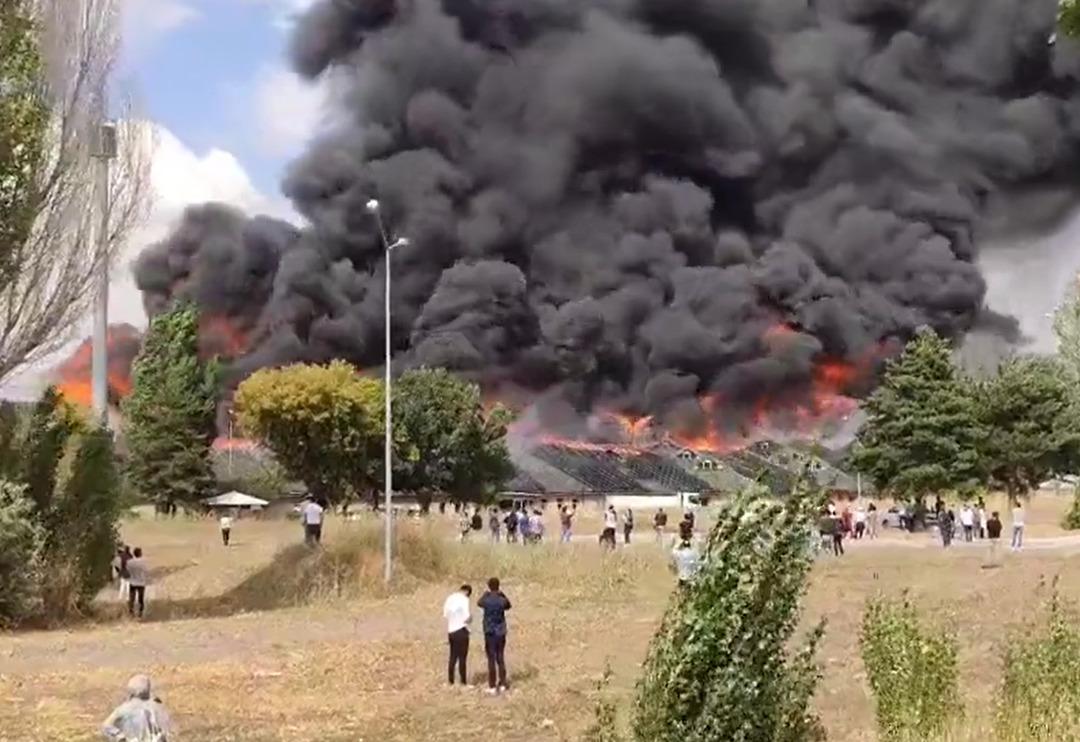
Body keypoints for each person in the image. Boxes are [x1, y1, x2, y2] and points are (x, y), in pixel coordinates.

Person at [101, 674, 171, 741]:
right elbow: (163, 731)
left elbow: (106, 726)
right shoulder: (155, 707)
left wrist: (120, 736)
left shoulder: (124, 709)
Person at [478, 577, 512, 694]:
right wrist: (502, 594)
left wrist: (485, 594)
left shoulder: (486, 600)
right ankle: (502, 683)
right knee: (500, 658)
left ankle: (492, 685)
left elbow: (479, 603)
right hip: (500, 631)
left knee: (491, 659)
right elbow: (508, 605)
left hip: (489, 632)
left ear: (489, 586)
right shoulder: (501, 600)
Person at [442, 584, 473, 687]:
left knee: (452, 657)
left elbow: (445, 615)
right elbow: (467, 617)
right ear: (467, 592)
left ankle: (450, 681)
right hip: (461, 630)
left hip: (451, 631)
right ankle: (463, 682)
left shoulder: (450, 598)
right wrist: (471, 619)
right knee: (462, 658)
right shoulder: (464, 599)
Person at [126, 548, 149, 619]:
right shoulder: (143, 562)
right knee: (141, 599)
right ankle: (140, 614)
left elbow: (127, 571)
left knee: (131, 599)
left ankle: (131, 613)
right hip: (141, 583)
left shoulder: (129, 562)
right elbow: (146, 571)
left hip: (132, 582)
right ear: (140, 554)